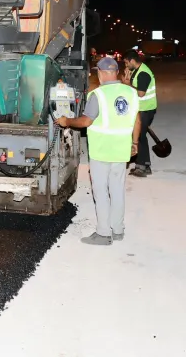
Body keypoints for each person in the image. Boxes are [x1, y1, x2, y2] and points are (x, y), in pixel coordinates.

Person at [55, 56, 141, 245]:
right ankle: (118, 230)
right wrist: (134, 143)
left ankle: (103, 233)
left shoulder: (98, 95)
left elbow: (86, 121)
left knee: (101, 192)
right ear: (116, 72)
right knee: (117, 190)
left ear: (101, 74)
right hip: (121, 151)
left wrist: (66, 121)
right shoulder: (130, 93)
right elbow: (137, 120)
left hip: (102, 151)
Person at [123, 50, 157, 177]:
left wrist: (128, 85)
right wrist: (127, 78)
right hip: (141, 109)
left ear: (132, 60)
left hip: (146, 109)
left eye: (126, 63)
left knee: (139, 137)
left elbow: (141, 93)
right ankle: (145, 165)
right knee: (141, 136)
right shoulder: (137, 70)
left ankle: (141, 167)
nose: (126, 66)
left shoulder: (143, 73)